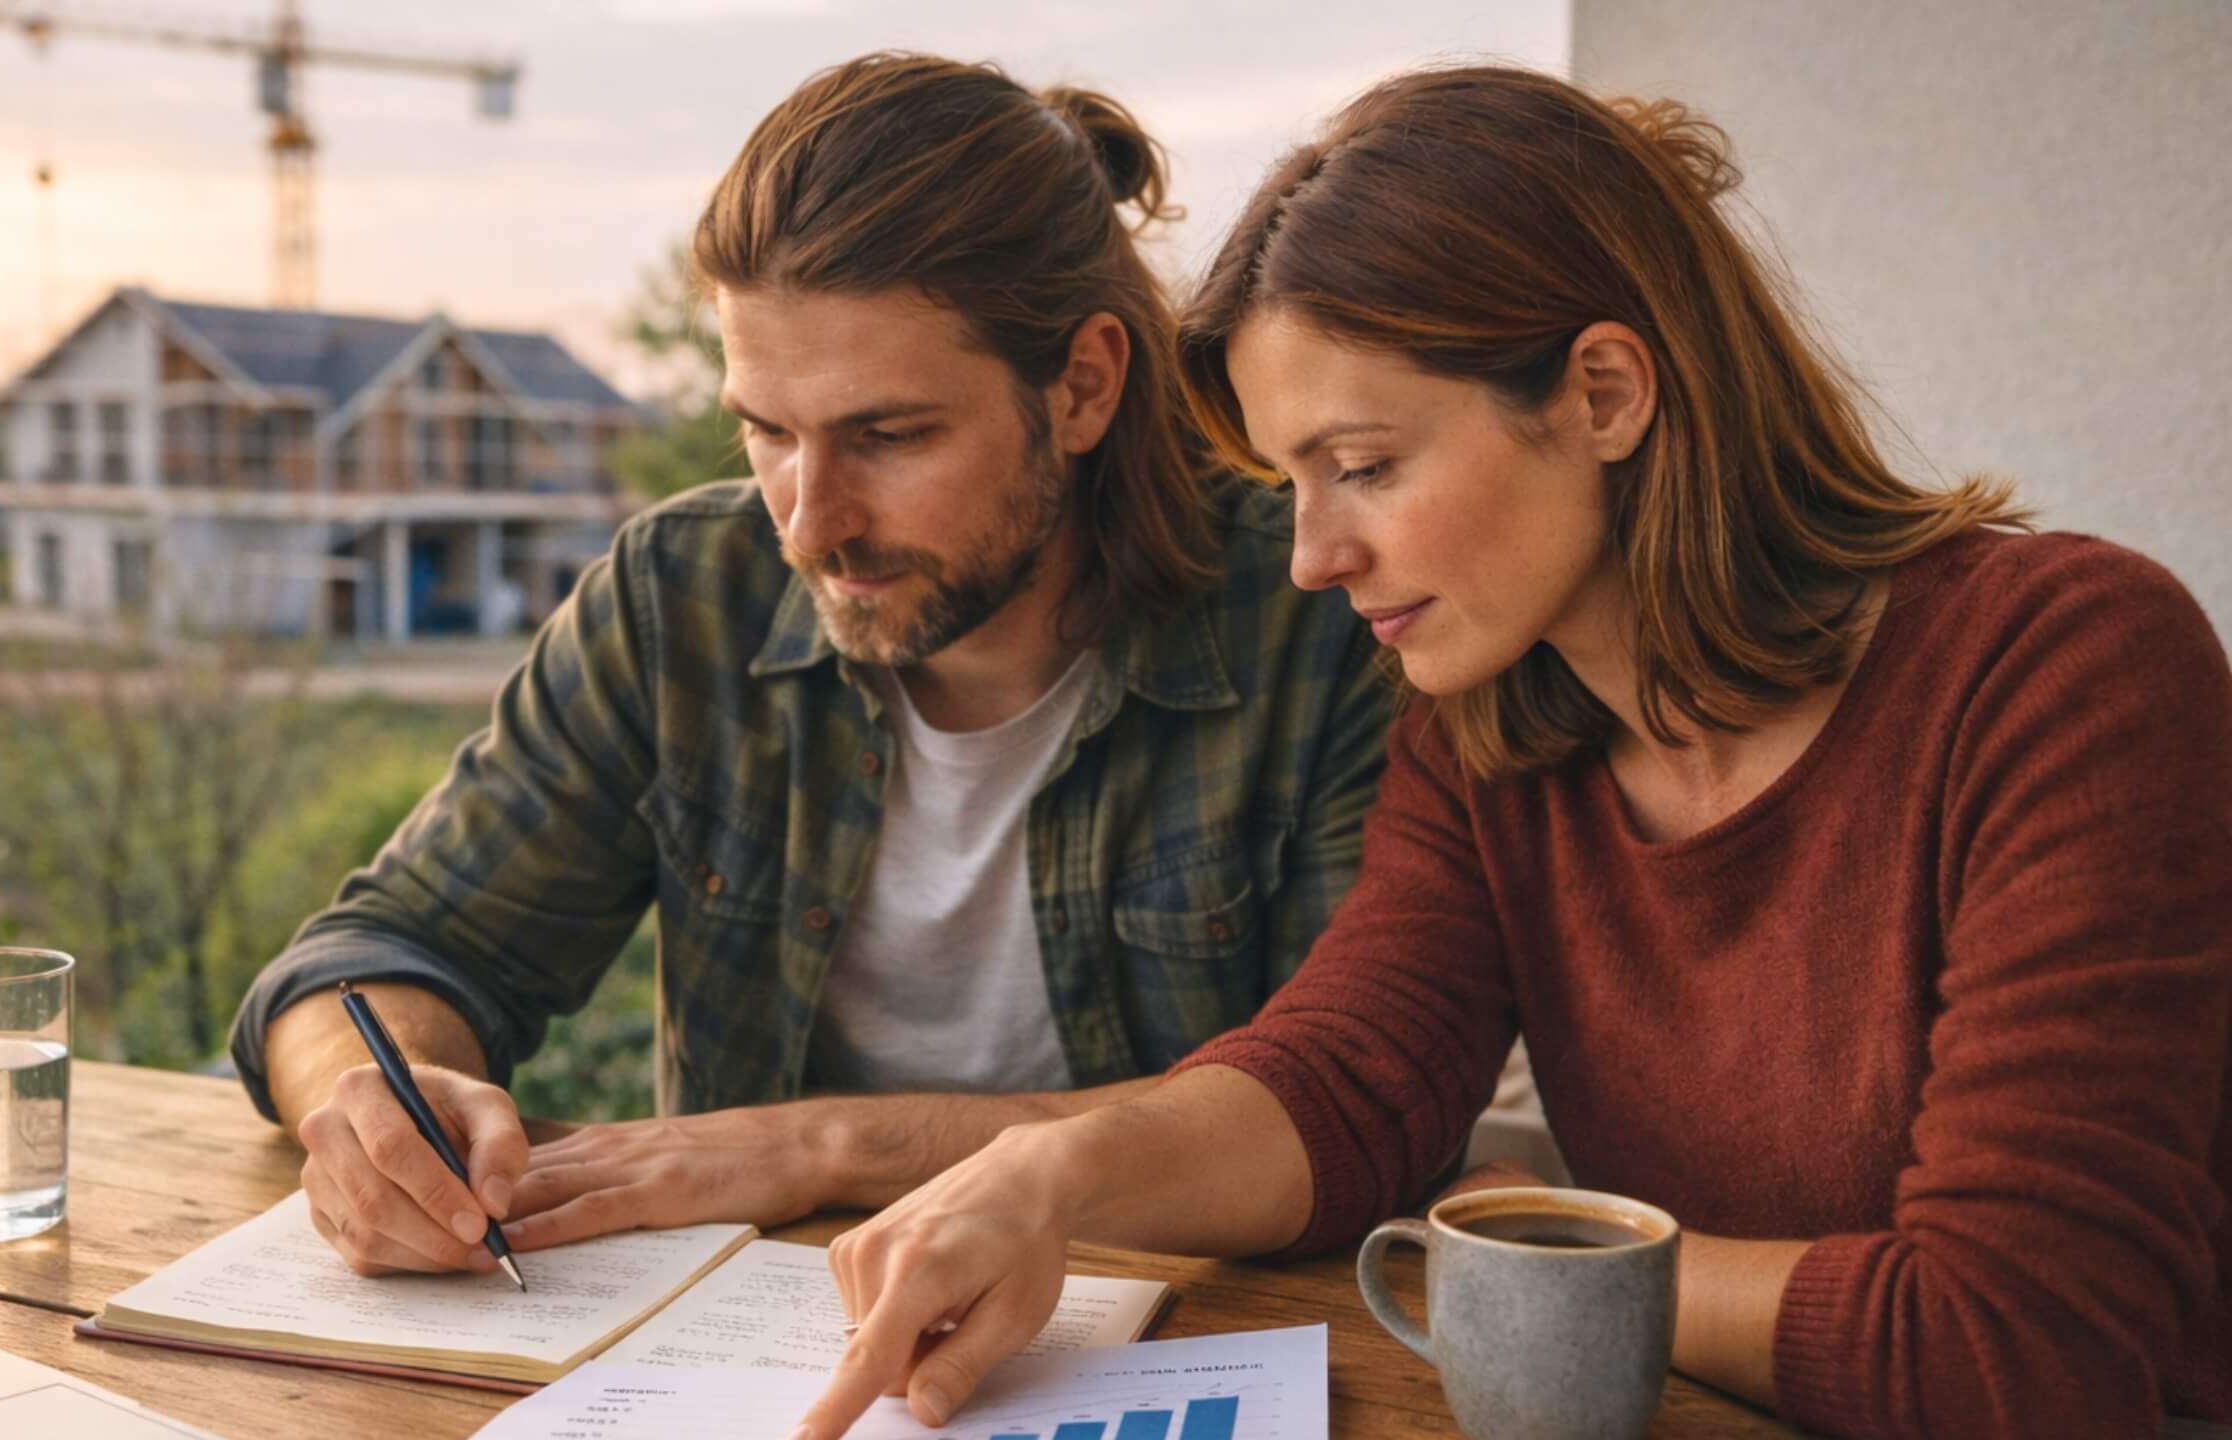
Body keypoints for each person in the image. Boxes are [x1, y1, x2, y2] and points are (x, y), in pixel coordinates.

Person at [796, 65, 2232, 1440]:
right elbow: (1347, 1080)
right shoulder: (1491, 729)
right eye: (1292, 482)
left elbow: (2014, 1353)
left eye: (1364, 466)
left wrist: (1533, 1255)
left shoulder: (2060, 666)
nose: (1310, 556)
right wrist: (1051, 1175)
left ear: (1604, 393)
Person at [225, 53, 1387, 1281]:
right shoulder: (686, 596)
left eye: (887, 436)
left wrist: (821, 1146)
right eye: (766, 431)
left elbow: (1343, 1104)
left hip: (1191, 1334)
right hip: (731, 1344)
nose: (809, 522)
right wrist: (380, 1101)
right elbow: (376, 955)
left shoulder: (1319, 613)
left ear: (1082, 387)